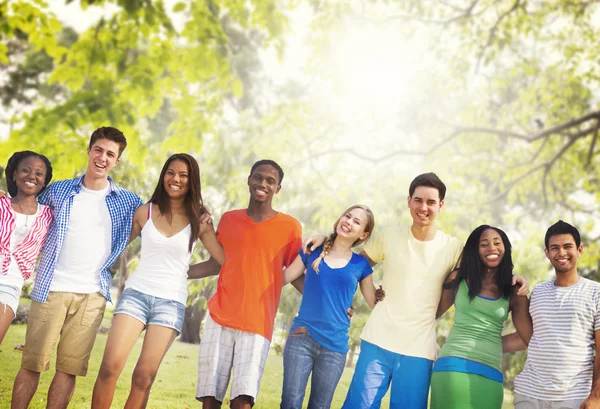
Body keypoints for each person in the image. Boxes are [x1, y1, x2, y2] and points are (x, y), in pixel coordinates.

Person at [304, 173, 528, 409]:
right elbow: (350, 265)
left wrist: (514, 277)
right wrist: (329, 240)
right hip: (377, 340)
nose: (424, 207)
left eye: (431, 202)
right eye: (418, 200)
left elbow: (486, 266)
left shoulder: (453, 248)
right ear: (409, 200)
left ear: (441, 205)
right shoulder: (389, 237)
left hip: (418, 350)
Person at [11, 127, 142, 409]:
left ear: (117, 161)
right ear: (89, 150)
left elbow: (161, 218)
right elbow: (27, 209)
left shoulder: (129, 202)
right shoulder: (58, 190)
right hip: (51, 288)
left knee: (68, 370)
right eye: (98, 150)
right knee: (32, 364)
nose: (102, 158)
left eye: (110, 154)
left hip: (92, 297)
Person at [91, 153, 225, 408]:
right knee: (110, 367)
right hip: (136, 295)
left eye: (183, 175)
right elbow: (116, 247)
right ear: (163, 176)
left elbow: (220, 262)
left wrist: (181, 270)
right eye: (170, 172)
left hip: (170, 302)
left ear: (192, 180)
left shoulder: (200, 220)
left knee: (143, 378)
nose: (175, 179)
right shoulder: (145, 212)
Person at [188, 159, 302, 409]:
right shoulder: (229, 219)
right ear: (249, 180)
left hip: (257, 322)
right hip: (220, 317)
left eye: (270, 181)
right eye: (258, 177)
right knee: (210, 400)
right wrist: (177, 272)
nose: (263, 184)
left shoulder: (290, 227)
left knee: (242, 402)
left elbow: (297, 274)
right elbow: (217, 263)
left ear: (278, 189)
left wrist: (330, 305)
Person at [280, 204, 382, 409]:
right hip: (302, 337)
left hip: (334, 348)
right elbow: (284, 277)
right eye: (348, 216)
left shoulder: (360, 265)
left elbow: (374, 303)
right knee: (290, 404)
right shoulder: (314, 250)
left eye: (356, 222)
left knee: (320, 406)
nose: (349, 222)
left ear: (363, 234)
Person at [430, 225, 532, 409]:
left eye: (497, 243)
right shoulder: (458, 279)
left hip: (491, 375)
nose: (491, 248)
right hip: (453, 367)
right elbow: (430, 313)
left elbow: (528, 338)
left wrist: (488, 342)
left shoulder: (514, 290)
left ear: (505, 248)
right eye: (484, 244)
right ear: (474, 251)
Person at [509, 221, 600, 409]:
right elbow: (529, 337)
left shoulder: (596, 292)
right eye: (555, 248)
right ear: (547, 253)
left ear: (579, 249)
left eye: (568, 246)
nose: (561, 253)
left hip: (573, 396)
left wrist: (596, 395)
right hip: (528, 394)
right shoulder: (539, 291)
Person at [0, 151, 53, 344]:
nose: (32, 176)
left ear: (44, 181)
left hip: (10, 284)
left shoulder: (48, 215)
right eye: (26, 170)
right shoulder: (0, 202)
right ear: (14, 174)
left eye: (39, 173)